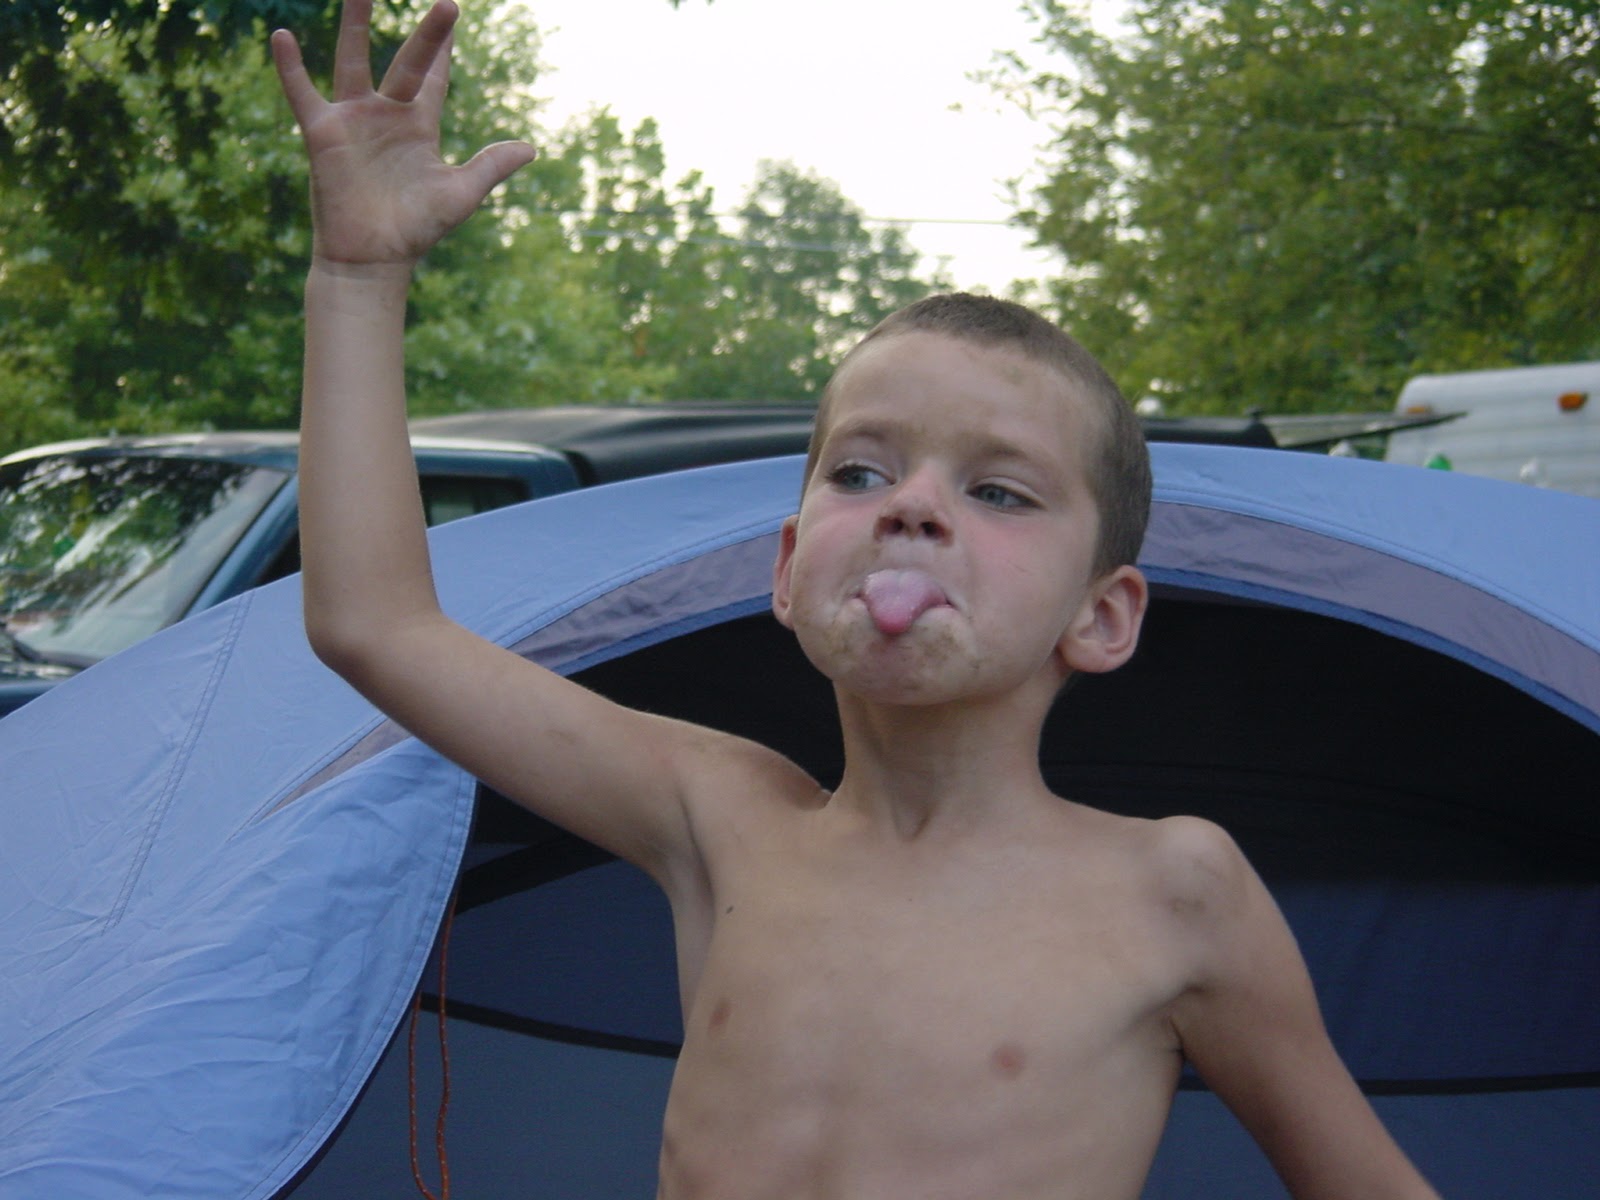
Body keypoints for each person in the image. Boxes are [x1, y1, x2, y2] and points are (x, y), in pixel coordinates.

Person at [272, 3, 1441, 1196]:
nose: (912, 507)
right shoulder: (720, 818)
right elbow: (375, 625)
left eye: (996, 490)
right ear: (787, 567)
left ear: (1102, 616)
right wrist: (356, 280)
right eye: (863, 471)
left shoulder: (1174, 892)